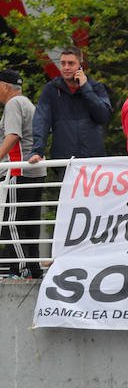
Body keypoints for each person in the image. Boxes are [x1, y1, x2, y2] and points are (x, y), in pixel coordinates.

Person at [29, 46, 113, 163]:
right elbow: (41, 121)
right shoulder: (50, 89)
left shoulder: (95, 87)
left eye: (71, 63)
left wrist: (86, 89)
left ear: (80, 65)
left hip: (93, 159)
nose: (66, 67)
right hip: (63, 160)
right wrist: (37, 151)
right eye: (63, 63)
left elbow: (103, 117)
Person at [0, 69, 42, 277]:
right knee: (29, 224)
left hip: (19, 170)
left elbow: (13, 135)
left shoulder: (13, 104)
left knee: (10, 223)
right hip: (34, 171)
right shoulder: (27, 103)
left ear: (5, 86)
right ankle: (33, 269)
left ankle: (21, 270)